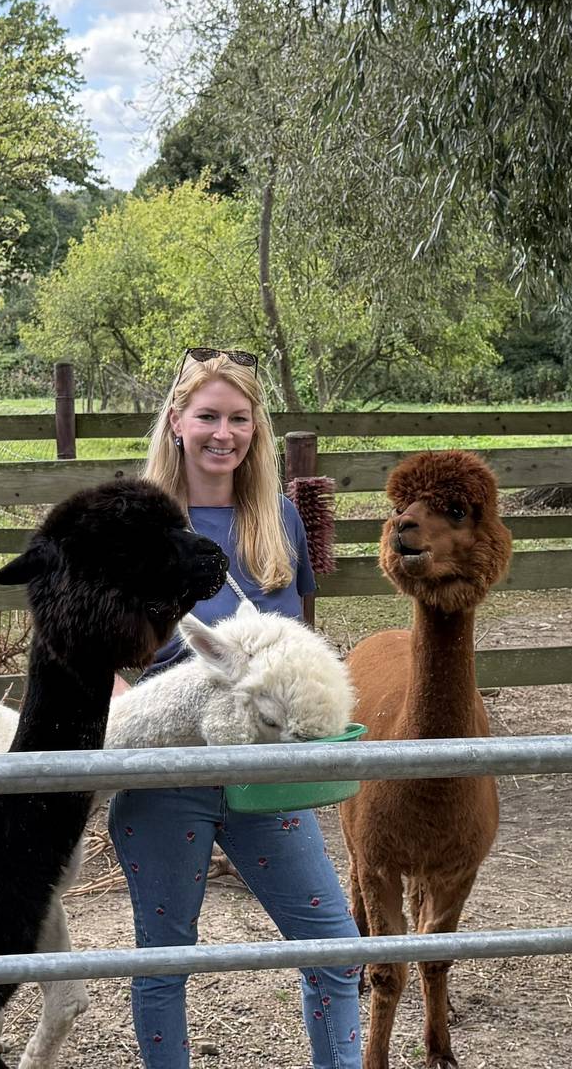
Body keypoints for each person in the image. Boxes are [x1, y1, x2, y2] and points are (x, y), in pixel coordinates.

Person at [109, 347, 362, 1069]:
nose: (224, 434)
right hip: (168, 775)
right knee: (165, 959)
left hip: (266, 775)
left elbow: (301, 641)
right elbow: (89, 653)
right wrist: (125, 718)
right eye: (208, 416)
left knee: (336, 947)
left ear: (257, 428)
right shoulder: (134, 527)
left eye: (239, 419)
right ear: (176, 421)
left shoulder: (277, 520)